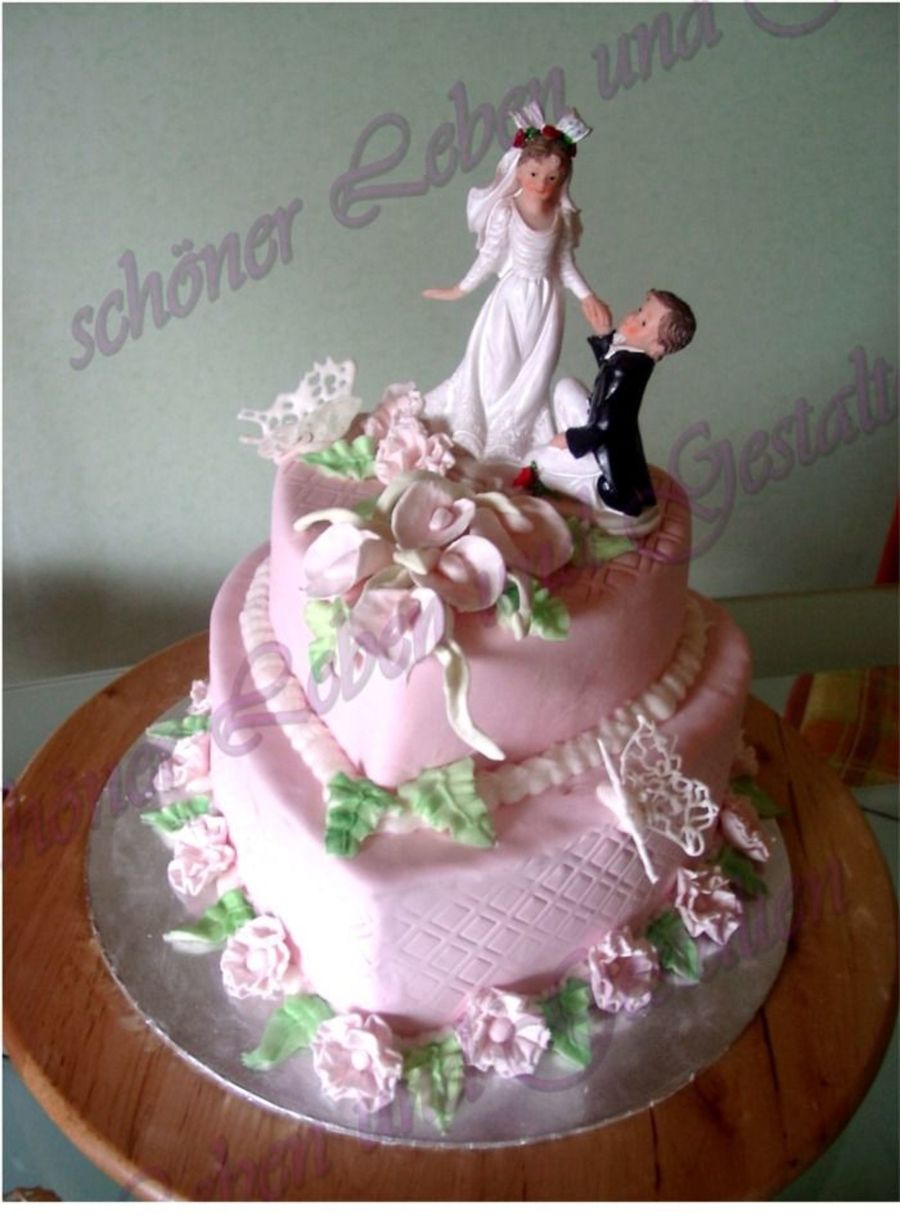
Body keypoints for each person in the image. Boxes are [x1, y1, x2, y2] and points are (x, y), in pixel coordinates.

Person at [422, 103, 611, 463]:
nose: (542, 184)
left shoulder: (560, 217)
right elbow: (488, 257)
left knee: (532, 379)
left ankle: (509, 445)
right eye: (535, 174)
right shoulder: (506, 212)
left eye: (552, 178)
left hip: (546, 307)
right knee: (496, 369)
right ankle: (477, 436)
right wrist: (459, 289)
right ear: (519, 168)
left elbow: (564, 264)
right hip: (509, 303)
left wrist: (588, 296)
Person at [529, 290, 696, 533]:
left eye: (643, 322)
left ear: (657, 346)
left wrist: (568, 440)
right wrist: (604, 333)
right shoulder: (632, 361)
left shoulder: (627, 370)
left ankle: (582, 483)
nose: (632, 316)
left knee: (536, 462)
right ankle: (573, 459)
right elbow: (609, 368)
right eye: (640, 311)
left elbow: (605, 426)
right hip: (606, 438)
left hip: (606, 460)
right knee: (566, 387)